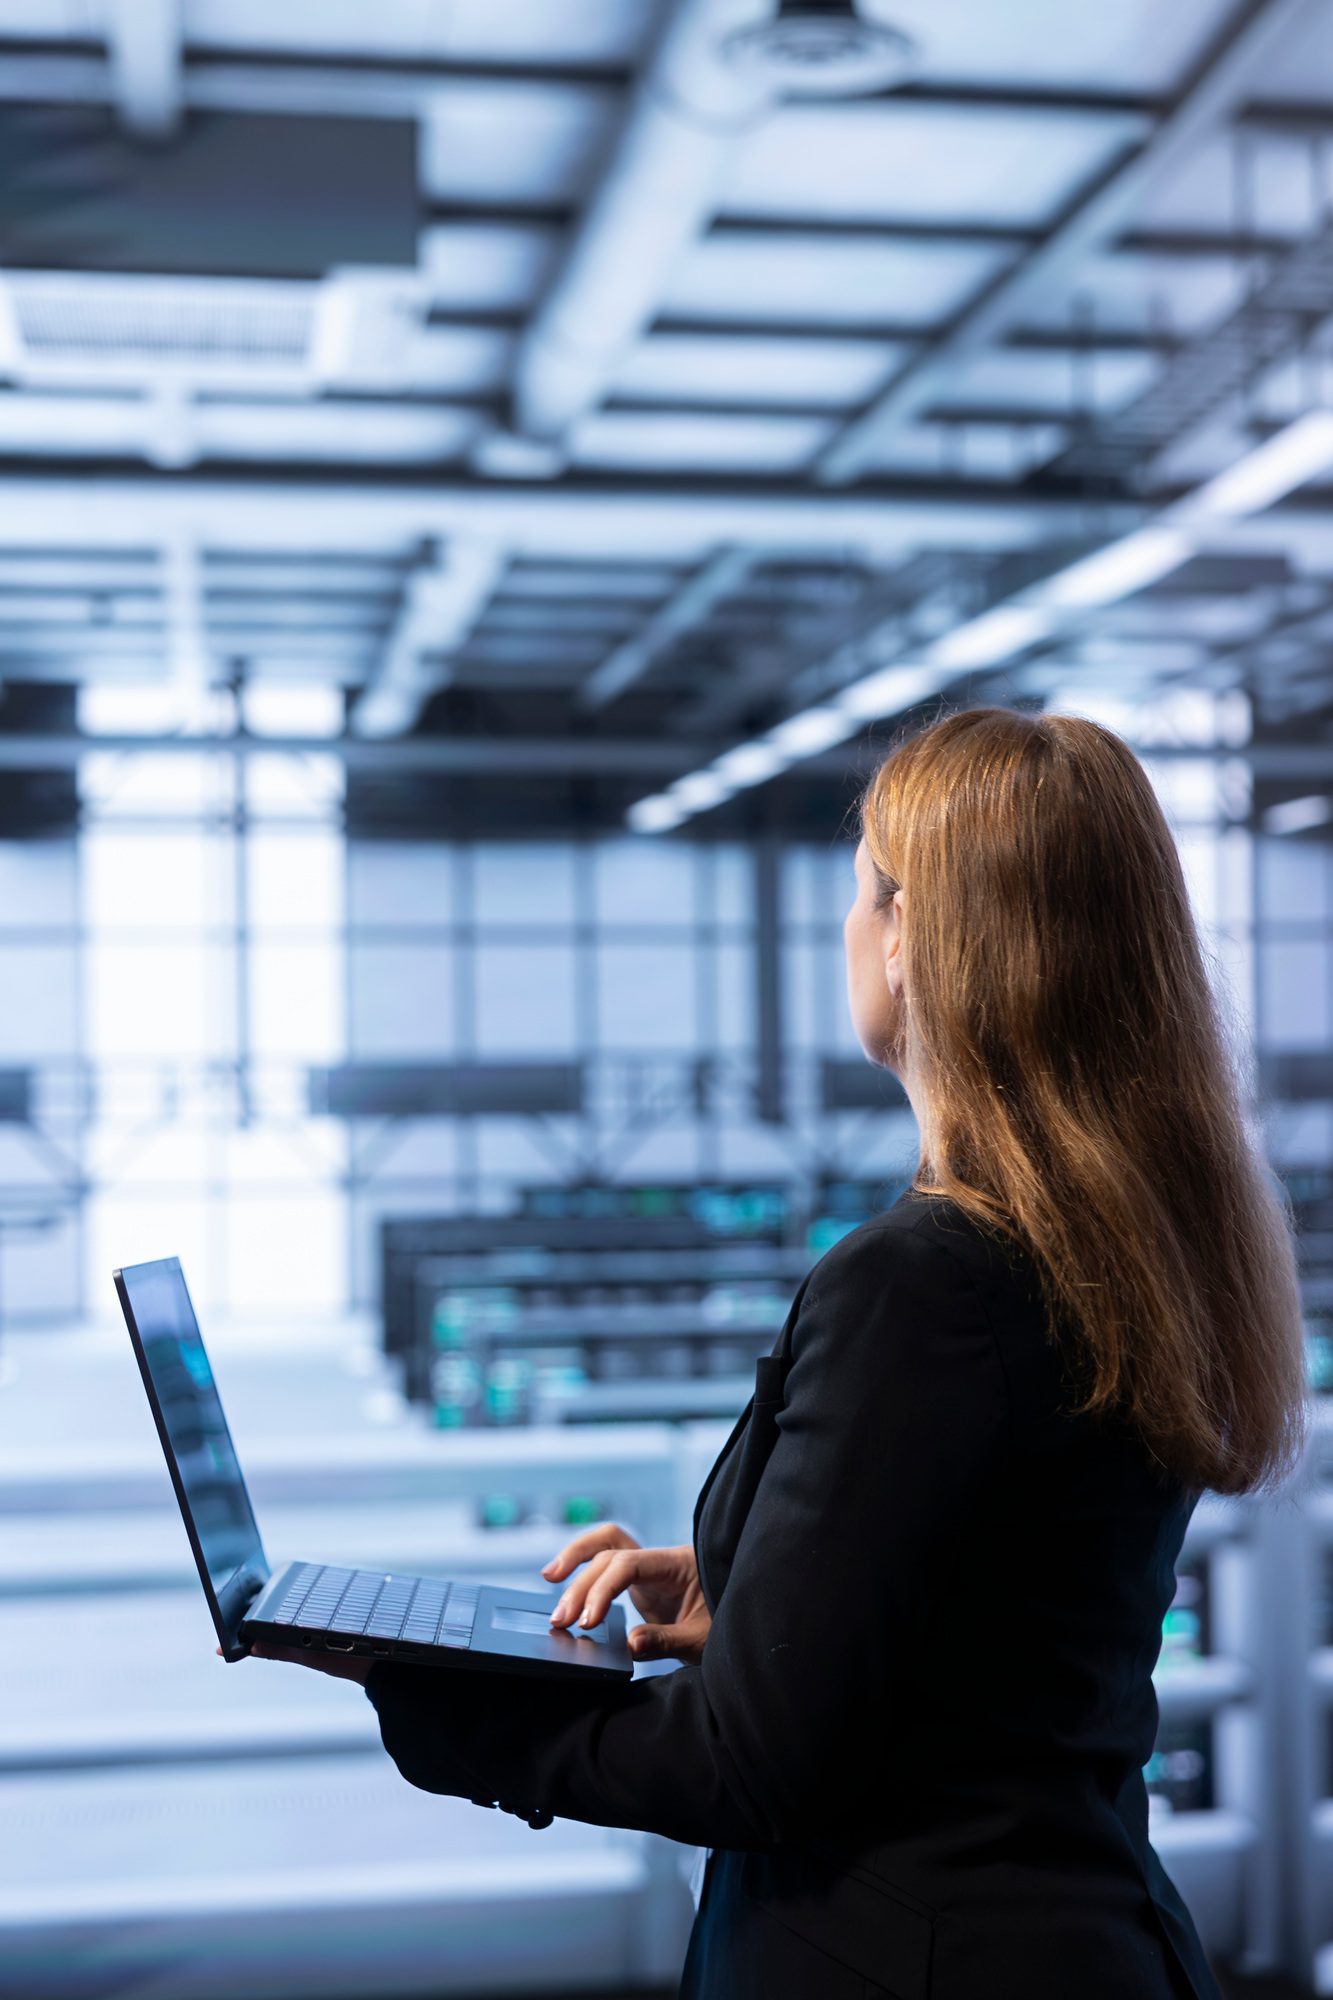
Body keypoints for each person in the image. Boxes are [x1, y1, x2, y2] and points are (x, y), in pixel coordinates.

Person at [247, 706, 1308, 1999]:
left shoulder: (918, 1283)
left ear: (918, 934)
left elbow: (749, 1771)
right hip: (1083, 1930)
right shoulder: (1115, 1242)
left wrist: (429, 1691)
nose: (850, 925)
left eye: (865, 887)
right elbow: (1009, 1608)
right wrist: (760, 1590)